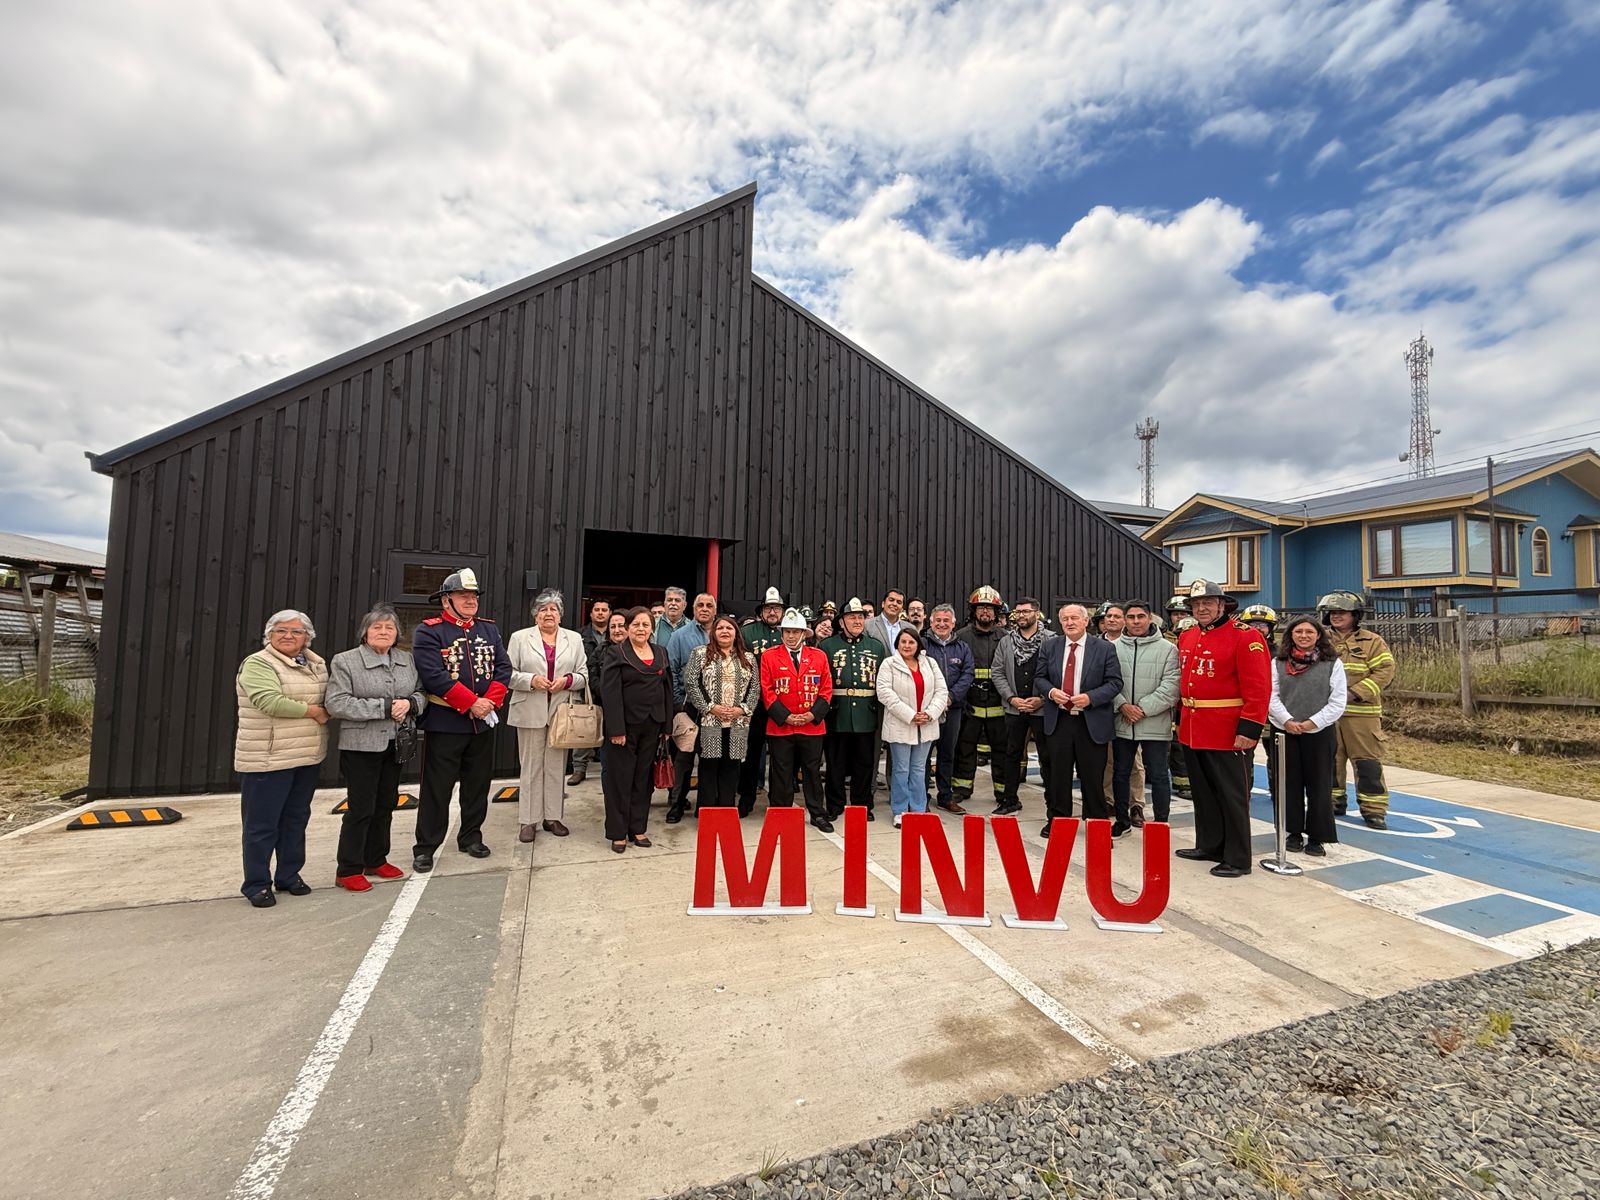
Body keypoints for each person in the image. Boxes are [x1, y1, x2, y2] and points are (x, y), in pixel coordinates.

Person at [410, 569, 512, 874]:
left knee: (478, 785)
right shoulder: (429, 631)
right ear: (446, 600)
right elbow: (433, 676)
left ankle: (471, 837)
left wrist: (488, 702)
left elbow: (503, 668)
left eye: (473, 596)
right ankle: (426, 847)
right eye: (463, 596)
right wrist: (471, 703)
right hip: (445, 722)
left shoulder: (489, 630)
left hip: (482, 722)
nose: (470, 601)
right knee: (436, 788)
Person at [1173, 579, 1271, 878]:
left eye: (1208, 603)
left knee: (1232, 795)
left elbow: (1258, 687)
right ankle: (1210, 845)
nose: (1201, 608)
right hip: (1193, 726)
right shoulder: (1188, 636)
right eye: (1196, 604)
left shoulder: (1246, 637)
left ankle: (1238, 858)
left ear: (1221, 605)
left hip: (1227, 730)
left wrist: (1250, 728)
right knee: (1203, 792)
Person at [325, 605, 424, 891]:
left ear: (397, 635)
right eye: (377, 627)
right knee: (361, 807)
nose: (383, 632)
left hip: (396, 743)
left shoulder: (406, 660)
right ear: (365, 633)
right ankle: (348, 868)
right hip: (361, 745)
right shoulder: (346, 661)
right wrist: (383, 707)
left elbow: (420, 692)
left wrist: (412, 703)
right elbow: (337, 702)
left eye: (389, 628)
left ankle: (376, 858)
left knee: (386, 803)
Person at [234, 609, 329, 907]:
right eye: (281, 631)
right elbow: (269, 701)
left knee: (295, 819)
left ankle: (289, 875)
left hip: (306, 755)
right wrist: (313, 711)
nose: (288, 636)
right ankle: (257, 883)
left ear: (307, 637)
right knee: (262, 824)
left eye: (296, 632)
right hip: (268, 757)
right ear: (269, 636)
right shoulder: (258, 663)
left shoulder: (316, 665)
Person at [1034, 603, 1123, 837]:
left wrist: (1091, 697)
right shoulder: (1050, 646)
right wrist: (1052, 693)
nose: (1070, 622)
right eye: (1065, 619)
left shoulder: (1104, 649)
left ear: (1086, 621)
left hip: (1090, 722)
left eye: (1075, 618)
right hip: (1060, 720)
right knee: (1057, 776)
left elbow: (1115, 683)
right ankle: (1058, 820)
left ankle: (1096, 824)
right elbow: (1040, 678)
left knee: (1093, 777)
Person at [507, 589, 587, 845]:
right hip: (529, 708)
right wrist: (532, 680)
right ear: (535, 615)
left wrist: (566, 681)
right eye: (543, 609)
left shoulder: (573, 639)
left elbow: (583, 675)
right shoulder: (519, 638)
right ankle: (528, 820)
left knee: (555, 767)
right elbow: (507, 674)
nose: (548, 613)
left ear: (560, 615)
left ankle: (552, 817)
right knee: (530, 766)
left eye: (553, 609)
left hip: (562, 712)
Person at [1269, 615, 1347, 856]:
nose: (1303, 636)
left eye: (1309, 632)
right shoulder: (1278, 662)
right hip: (1284, 732)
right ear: (1290, 635)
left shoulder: (1332, 663)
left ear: (1318, 635)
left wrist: (1312, 723)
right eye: (1298, 631)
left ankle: (1317, 837)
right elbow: (1271, 695)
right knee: (1288, 785)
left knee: (1319, 786)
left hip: (1319, 733)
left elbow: (1337, 701)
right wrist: (1288, 721)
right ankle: (1292, 833)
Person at [1319, 590, 1396, 829]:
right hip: (1327, 714)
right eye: (1332, 612)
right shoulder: (1320, 639)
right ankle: (1333, 802)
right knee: (1329, 761)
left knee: (1367, 763)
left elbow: (1385, 672)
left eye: (1341, 612)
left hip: (1361, 714)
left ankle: (1374, 811)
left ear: (1355, 615)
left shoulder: (1372, 641)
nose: (1335, 616)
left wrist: (1355, 693)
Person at [599, 607, 673, 853]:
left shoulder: (661, 652)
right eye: (636, 625)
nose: (641, 629)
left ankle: (638, 828)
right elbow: (609, 693)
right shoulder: (615, 653)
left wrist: (667, 725)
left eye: (645, 625)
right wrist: (616, 729)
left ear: (652, 628)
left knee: (643, 780)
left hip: (652, 725)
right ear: (627, 628)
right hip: (624, 728)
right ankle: (618, 832)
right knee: (620, 780)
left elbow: (667, 691)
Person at [759, 608, 833, 830]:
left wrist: (812, 715)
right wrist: (787, 716)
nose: (791, 636)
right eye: (787, 631)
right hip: (781, 727)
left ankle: (817, 813)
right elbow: (767, 690)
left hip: (812, 726)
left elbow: (826, 689)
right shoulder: (769, 656)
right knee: (781, 771)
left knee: (812, 771)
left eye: (796, 631)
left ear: (804, 633)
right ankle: (780, 814)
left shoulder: (819, 656)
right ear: (781, 633)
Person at [1110, 600, 1179, 835]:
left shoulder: (1168, 649)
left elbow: (1171, 686)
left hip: (1154, 723)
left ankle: (1160, 823)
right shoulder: (1113, 648)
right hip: (1122, 723)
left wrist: (1141, 709)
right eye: (1131, 617)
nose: (1136, 621)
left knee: (1159, 775)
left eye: (1141, 616)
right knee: (1120, 773)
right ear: (1124, 620)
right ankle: (1122, 820)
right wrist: (1122, 706)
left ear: (1150, 618)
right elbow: (1106, 682)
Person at [819, 597, 887, 819]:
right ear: (842, 622)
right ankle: (835, 805)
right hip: (836, 713)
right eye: (852, 617)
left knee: (865, 763)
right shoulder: (827, 646)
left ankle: (862, 805)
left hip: (866, 714)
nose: (857, 621)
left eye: (860, 617)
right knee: (835, 763)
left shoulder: (876, 647)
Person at [684, 615, 761, 807]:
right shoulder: (701, 653)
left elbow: (755, 687)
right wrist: (710, 707)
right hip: (710, 720)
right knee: (709, 767)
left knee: (731, 767)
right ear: (713, 632)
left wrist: (742, 709)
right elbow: (691, 682)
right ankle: (707, 812)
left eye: (729, 628)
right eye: (720, 628)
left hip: (738, 722)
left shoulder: (748, 657)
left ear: (736, 633)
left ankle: (726, 812)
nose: (725, 631)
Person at [877, 627, 950, 828]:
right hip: (901, 724)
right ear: (897, 644)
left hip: (926, 725)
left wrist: (929, 713)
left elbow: (941, 691)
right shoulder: (889, 664)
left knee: (919, 769)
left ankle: (918, 809)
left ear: (918, 644)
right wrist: (910, 715)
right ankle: (900, 811)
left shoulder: (930, 663)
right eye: (903, 642)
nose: (907, 646)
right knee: (901, 769)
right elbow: (884, 693)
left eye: (911, 642)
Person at [991, 596, 1056, 817]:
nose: (1021, 616)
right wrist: (1011, 698)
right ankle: (1010, 800)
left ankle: (1052, 803)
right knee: (1011, 755)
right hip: (1014, 708)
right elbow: (997, 672)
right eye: (1018, 612)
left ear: (1037, 614)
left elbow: (1058, 675)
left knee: (1047, 757)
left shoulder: (1052, 640)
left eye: (1026, 612)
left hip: (1042, 709)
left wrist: (1043, 699)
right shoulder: (1006, 642)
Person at [951, 585, 1008, 813]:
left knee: (1002, 750)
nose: (985, 612)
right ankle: (962, 788)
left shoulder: (1005, 638)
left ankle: (1004, 791)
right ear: (973, 611)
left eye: (990, 608)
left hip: (998, 705)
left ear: (996, 613)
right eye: (981, 608)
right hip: (969, 704)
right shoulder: (961, 636)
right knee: (964, 747)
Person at [665, 592, 717, 822]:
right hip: (689, 709)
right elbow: (672, 671)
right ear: (693, 609)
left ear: (715, 610)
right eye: (700, 605)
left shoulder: (723, 633)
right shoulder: (679, 636)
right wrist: (678, 705)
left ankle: (704, 807)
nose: (704, 609)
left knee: (710, 760)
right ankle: (676, 804)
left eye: (709, 605)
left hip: (717, 711)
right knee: (683, 760)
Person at [738, 587, 787, 815]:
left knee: (780, 754)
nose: (772, 612)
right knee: (751, 753)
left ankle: (777, 800)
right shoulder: (747, 632)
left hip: (781, 702)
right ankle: (746, 799)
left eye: (776, 608)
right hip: (755, 702)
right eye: (768, 608)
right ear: (761, 611)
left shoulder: (789, 633)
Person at [921, 604, 975, 810]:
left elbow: (968, 673)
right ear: (931, 622)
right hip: (928, 710)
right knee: (924, 755)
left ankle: (945, 796)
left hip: (953, 709)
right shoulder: (923, 644)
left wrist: (951, 697)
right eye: (938, 621)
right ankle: (921, 797)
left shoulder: (962, 647)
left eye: (946, 621)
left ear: (953, 623)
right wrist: (935, 701)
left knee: (947, 753)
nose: (942, 624)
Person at [1238, 603, 1281, 803]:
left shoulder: (1281, 653)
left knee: (1278, 756)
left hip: (1275, 715)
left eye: (1262, 625)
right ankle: (1244, 791)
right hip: (1250, 714)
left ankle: (1279, 792)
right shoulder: (1239, 647)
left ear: (1271, 628)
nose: (1257, 628)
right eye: (1252, 623)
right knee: (1245, 757)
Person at [567, 598, 612, 785]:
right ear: (591, 613)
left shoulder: (616, 634)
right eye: (597, 610)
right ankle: (579, 769)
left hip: (610, 689)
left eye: (604, 610)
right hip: (586, 688)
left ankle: (608, 768)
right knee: (582, 729)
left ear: (610, 613)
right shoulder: (579, 636)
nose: (600, 613)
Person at [1163, 593, 1194, 801]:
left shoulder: (1199, 638)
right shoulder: (1164, 640)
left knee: (1186, 744)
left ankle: (1187, 783)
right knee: (1171, 744)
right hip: (1169, 701)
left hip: (1190, 702)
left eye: (1183, 613)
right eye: (1176, 614)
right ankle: (1179, 781)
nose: (1180, 617)